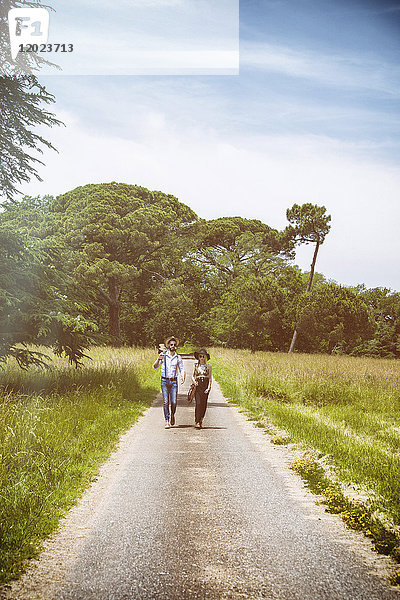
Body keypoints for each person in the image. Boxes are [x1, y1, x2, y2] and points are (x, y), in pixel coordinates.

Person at [153, 336, 185, 428]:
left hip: (174, 382)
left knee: (174, 402)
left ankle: (172, 415)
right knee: (166, 401)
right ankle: (167, 420)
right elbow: (155, 367)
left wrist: (183, 376)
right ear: (168, 345)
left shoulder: (178, 357)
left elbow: (181, 369)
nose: (173, 346)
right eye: (171, 344)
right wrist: (158, 359)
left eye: (174, 345)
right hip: (164, 381)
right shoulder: (163, 356)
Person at [192, 348, 212, 429]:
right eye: (200, 356)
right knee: (198, 403)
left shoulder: (209, 366)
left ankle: (201, 419)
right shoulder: (196, 365)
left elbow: (210, 378)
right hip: (198, 384)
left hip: (205, 384)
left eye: (203, 356)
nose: (202, 358)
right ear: (198, 357)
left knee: (204, 404)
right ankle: (196, 421)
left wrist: (209, 387)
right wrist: (194, 382)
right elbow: (192, 376)